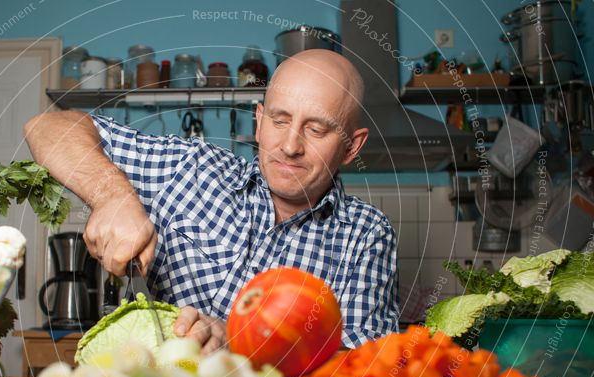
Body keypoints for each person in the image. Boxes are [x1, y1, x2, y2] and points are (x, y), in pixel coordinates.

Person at [24, 49, 398, 353]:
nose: (290, 146)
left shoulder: (365, 235)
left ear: (352, 146)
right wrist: (113, 197)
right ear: (258, 121)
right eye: (280, 121)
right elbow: (47, 127)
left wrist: (237, 339)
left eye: (316, 129)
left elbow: (359, 367)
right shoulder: (190, 169)